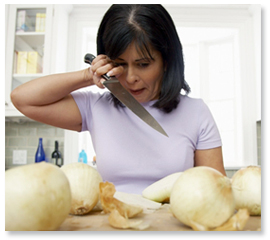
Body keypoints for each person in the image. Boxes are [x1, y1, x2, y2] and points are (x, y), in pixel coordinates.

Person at [11, 4, 226, 194]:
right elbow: (22, 99)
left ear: (167, 61)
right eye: (119, 64)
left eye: (143, 64)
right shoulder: (95, 107)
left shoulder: (196, 113)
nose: (131, 78)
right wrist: (88, 75)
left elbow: (217, 191)